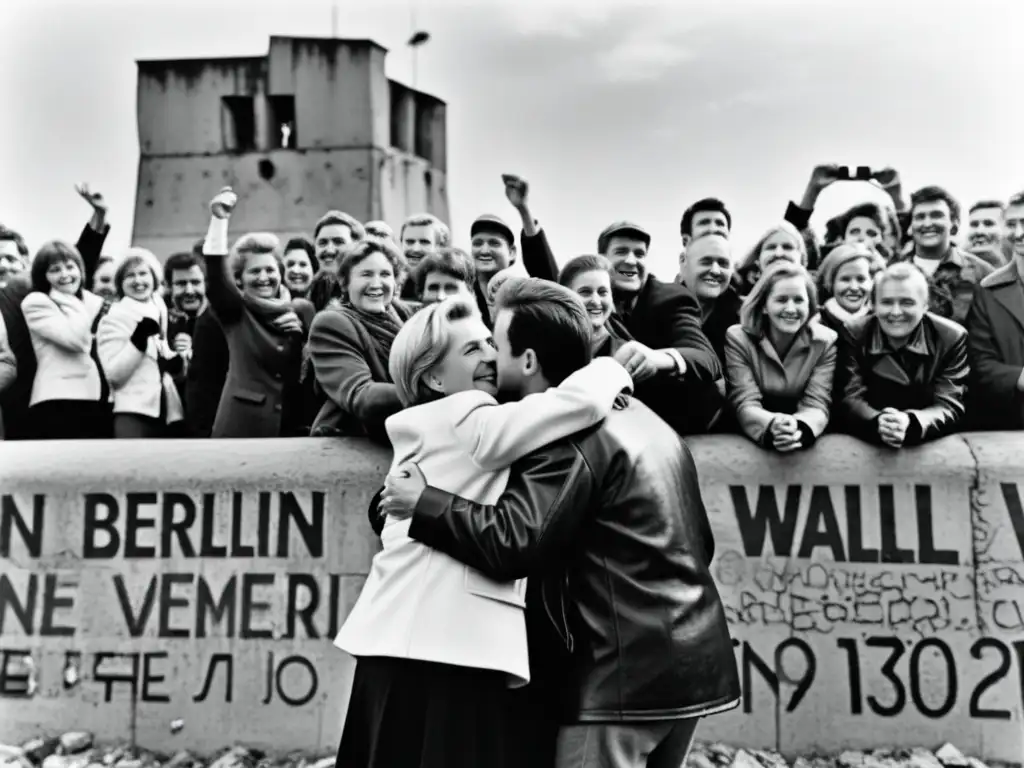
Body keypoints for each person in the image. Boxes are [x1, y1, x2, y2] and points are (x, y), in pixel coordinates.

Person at [376, 282, 741, 768]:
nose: (487, 355)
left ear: (527, 361)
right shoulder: (650, 420)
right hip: (696, 666)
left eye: (494, 344)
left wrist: (424, 503)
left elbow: (515, 541)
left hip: (623, 684)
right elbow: (704, 541)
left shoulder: (564, 443)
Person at [336, 286, 631, 768]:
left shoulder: (436, 425)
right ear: (432, 376)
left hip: (421, 645)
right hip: (438, 650)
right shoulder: (466, 415)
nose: (492, 355)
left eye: (491, 343)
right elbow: (573, 406)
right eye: (472, 348)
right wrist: (612, 366)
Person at [202, 187, 315, 438]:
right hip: (242, 426)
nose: (264, 278)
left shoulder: (299, 311)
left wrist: (303, 338)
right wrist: (219, 220)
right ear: (239, 280)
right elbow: (216, 277)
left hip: (288, 429)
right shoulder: (235, 311)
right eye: (255, 272)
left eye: (270, 270)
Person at [839, 263, 969, 447]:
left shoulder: (951, 338)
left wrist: (912, 422)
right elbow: (849, 397)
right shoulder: (854, 333)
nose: (896, 312)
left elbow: (950, 404)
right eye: (887, 302)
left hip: (925, 442)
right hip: (867, 439)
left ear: (925, 306)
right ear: (873, 305)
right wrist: (878, 421)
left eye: (907, 302)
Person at [307, 238, 416, 439]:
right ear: (345, 283)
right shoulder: (332, 323)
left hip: (406, 437)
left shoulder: (410, 316)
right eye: (366, 274)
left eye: (385, 274)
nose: (376, 284)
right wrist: (437, 394)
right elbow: (362, 397)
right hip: (353, 442)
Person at [724, 262, 837, 451]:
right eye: (782, 300)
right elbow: (744, 399)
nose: (791, 309)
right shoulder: (738, 338)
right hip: (755, 433)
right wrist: (772, 425)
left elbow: (817, 402)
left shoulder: (825, 342)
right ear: (765, 306)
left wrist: (799, 428)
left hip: (799, 433)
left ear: (809, 305)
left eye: (799, 300)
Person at [20, 240, 110, 439]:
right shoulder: (37, 302)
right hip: (56, 398)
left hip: (92, 395)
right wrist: (72, 300)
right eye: (55, 270)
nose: (65, 275)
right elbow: (77, 340)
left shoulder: (92, 302)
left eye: (70, 267)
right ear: (43, 276)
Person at [97, 250, 186, 438]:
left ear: (154, 278)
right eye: (130, 275)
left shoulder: (159, 310)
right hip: (133, 412)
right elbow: (114, 375)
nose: (138, 281)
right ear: (120, 283)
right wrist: (138, 341)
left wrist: (177, 361)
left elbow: (160, 358)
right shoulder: (113, 318)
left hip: (165, 410)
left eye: (143, 273)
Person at [965, 190, 1024, 430]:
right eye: (1011, 224)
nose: (1018, 233)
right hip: (1009, 424)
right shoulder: (988, 290)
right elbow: (979, 363)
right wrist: (1019, 378)